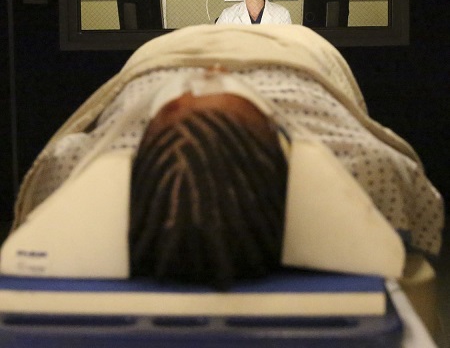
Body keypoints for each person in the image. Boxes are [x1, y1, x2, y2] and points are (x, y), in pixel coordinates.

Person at [9, 24, 444, 289]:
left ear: (136, 154)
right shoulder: (357, 164)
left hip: (163, 56)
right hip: (292, 49)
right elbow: (408, 199)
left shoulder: (83, 167)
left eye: (192, 91)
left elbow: (58, 164)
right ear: (277, 138)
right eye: (218, 87)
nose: (213, 72)